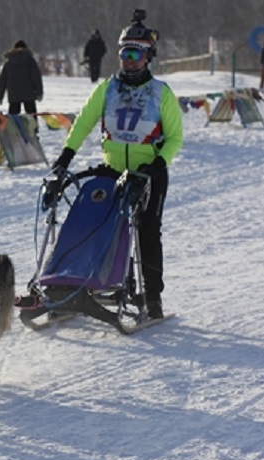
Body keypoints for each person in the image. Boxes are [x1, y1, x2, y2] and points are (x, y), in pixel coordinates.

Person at [50, 10, 184, 319]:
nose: (128, 59)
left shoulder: (161, 93)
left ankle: (152, 297)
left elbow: (175, 137)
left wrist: (157, 165)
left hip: (149, 171)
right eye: (124, 53)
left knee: (147, 231)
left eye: (136, 53)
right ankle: (79, 284)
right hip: (113, 169)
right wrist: (65, 157)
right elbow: (82, 124)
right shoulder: (107, 89)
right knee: (96, 223)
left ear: (149, 56)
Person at [0, 40, 43, 115]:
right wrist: (39, 92)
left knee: (13, 118)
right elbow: (36, 77)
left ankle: (14, 126)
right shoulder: (30, 61)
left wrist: (0, 96)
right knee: (31, 117)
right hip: (29, 94)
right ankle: (33, 127)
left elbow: (2, 80)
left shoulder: (8, 62)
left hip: (13, 94)